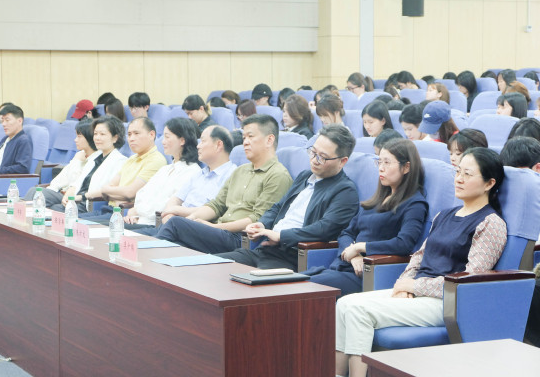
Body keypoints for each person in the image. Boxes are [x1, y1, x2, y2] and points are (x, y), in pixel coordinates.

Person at [335, 147, 507, 377]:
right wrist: (404, 283)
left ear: (489, 183)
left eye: (467, 174)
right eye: (458, 172)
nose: (459, 179)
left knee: (358, 311)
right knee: (344, 304)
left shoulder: (491, 223)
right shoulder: (444, 215)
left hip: (446, 302)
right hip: (418, 292)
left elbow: (468, 281)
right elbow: (419, 256)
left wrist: (416, 286)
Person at [216, 125, 360, 271]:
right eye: (313, 152)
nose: (314, 160)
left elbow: (323, 229)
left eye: (322, 157)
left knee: (246, 279)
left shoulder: (345, 191)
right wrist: (262, 224)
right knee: (213, 265)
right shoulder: (304, 176)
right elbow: (278, 207)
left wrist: (281, 236)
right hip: (265, 249)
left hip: (292, 257)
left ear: (342, 161)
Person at [154, 114, 293, 253]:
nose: (245, 142)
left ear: (269, 140)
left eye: (251, 137)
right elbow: (216, 205)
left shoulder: (278, 175)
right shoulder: (240, 171)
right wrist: (191, 220)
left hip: (241, 239)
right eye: (244, 138)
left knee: (175, 224)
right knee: (177, 241)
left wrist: (211, 227)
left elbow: (258, 220)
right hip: (220, 231)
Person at [307, 139, 428, 296]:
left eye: (387, 163)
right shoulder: (375, 201)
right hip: (344, 266)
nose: (381, 168)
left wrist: (360, 247)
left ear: (406, 167)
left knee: (302, 287)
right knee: (291, 281)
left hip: (367, 274)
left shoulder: (415, 203)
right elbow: (346, 233)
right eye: (379, 162)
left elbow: (404, 243)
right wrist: (353, 256)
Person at [146, 126, 237, 236]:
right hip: (174, 225)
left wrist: (175, 211)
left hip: (198, 230)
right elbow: (176, 199)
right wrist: (169, 213)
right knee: (130, 234)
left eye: (203, 141)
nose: (198, 146)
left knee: (147, 242)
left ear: (218, 145)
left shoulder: (232, 175)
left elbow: (213, 209)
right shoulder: (199, 174)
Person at [118, 118, 201, 229]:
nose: (163, 142)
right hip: (140, 221)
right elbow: (142, 194)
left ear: (182, 141)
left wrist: (138, 212)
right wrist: (134, 214)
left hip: (156, 226)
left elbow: (165, 206)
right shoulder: (165, 169)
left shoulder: (192, 171)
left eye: (167, 137)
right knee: (110, 227)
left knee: (113, 230)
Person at [81, 117, 167, 218]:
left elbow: (130, 193)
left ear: (151, 135)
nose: (131, 138)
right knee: (73, 220)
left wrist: (114, 192)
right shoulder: (131, 159)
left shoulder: (156, 160)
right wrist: (119, 194)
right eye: (129, 134)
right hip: (108, 209)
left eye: (136, 133)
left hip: (124, 214)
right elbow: (107, 189)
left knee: (78, 224)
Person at [50, 115, 127, 213]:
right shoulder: (94, 158)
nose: (97, 138)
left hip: (90, 205)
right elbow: (78, 182)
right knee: (49, 208)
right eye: (95, 134)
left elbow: (108, 190)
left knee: (54, 210)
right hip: (76, 201)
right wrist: (70, 193)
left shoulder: (119, 161)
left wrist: (80, 197)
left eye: (102, 134)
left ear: (115, 138)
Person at [24, 120, 98, 205]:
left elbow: (76, 182)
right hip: (61, 193)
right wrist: (50, 189)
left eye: (79, 136)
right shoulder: (79, 155)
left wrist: (78, 162)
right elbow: (62, 177)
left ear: (89, 137)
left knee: (35, 193)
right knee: (36, 193)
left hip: (75, 197)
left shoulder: (96, 158)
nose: (75, 140)